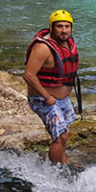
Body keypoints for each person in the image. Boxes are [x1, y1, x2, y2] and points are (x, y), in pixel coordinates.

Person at [23, 9, 79, 165]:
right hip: (44, 99)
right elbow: (29, 75)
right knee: (61, 136)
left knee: (62, 134)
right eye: (59, 26)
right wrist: (47, 97)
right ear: (52, 27)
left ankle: (64, 163)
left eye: (67, 26)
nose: (64, 30)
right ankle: (55, 172)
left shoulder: (67, 42)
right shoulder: (43, 48)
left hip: (62, 99)